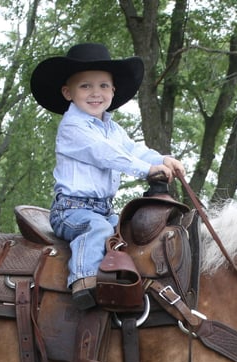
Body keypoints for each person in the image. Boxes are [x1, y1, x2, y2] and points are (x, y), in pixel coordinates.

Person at [30, 42, 185, 309]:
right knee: (98, 229)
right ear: (68, 92)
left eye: (103, 85)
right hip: (71, 210)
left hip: (103, 208)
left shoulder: (111, 128)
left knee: (127, 232)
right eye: (85, 86)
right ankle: (83, 280)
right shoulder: (73, 127)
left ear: (113, 91)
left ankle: (131, 283)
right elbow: (106, 154)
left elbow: (132, 149)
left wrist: (162, 159)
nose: (95, 93)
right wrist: (146, 170)